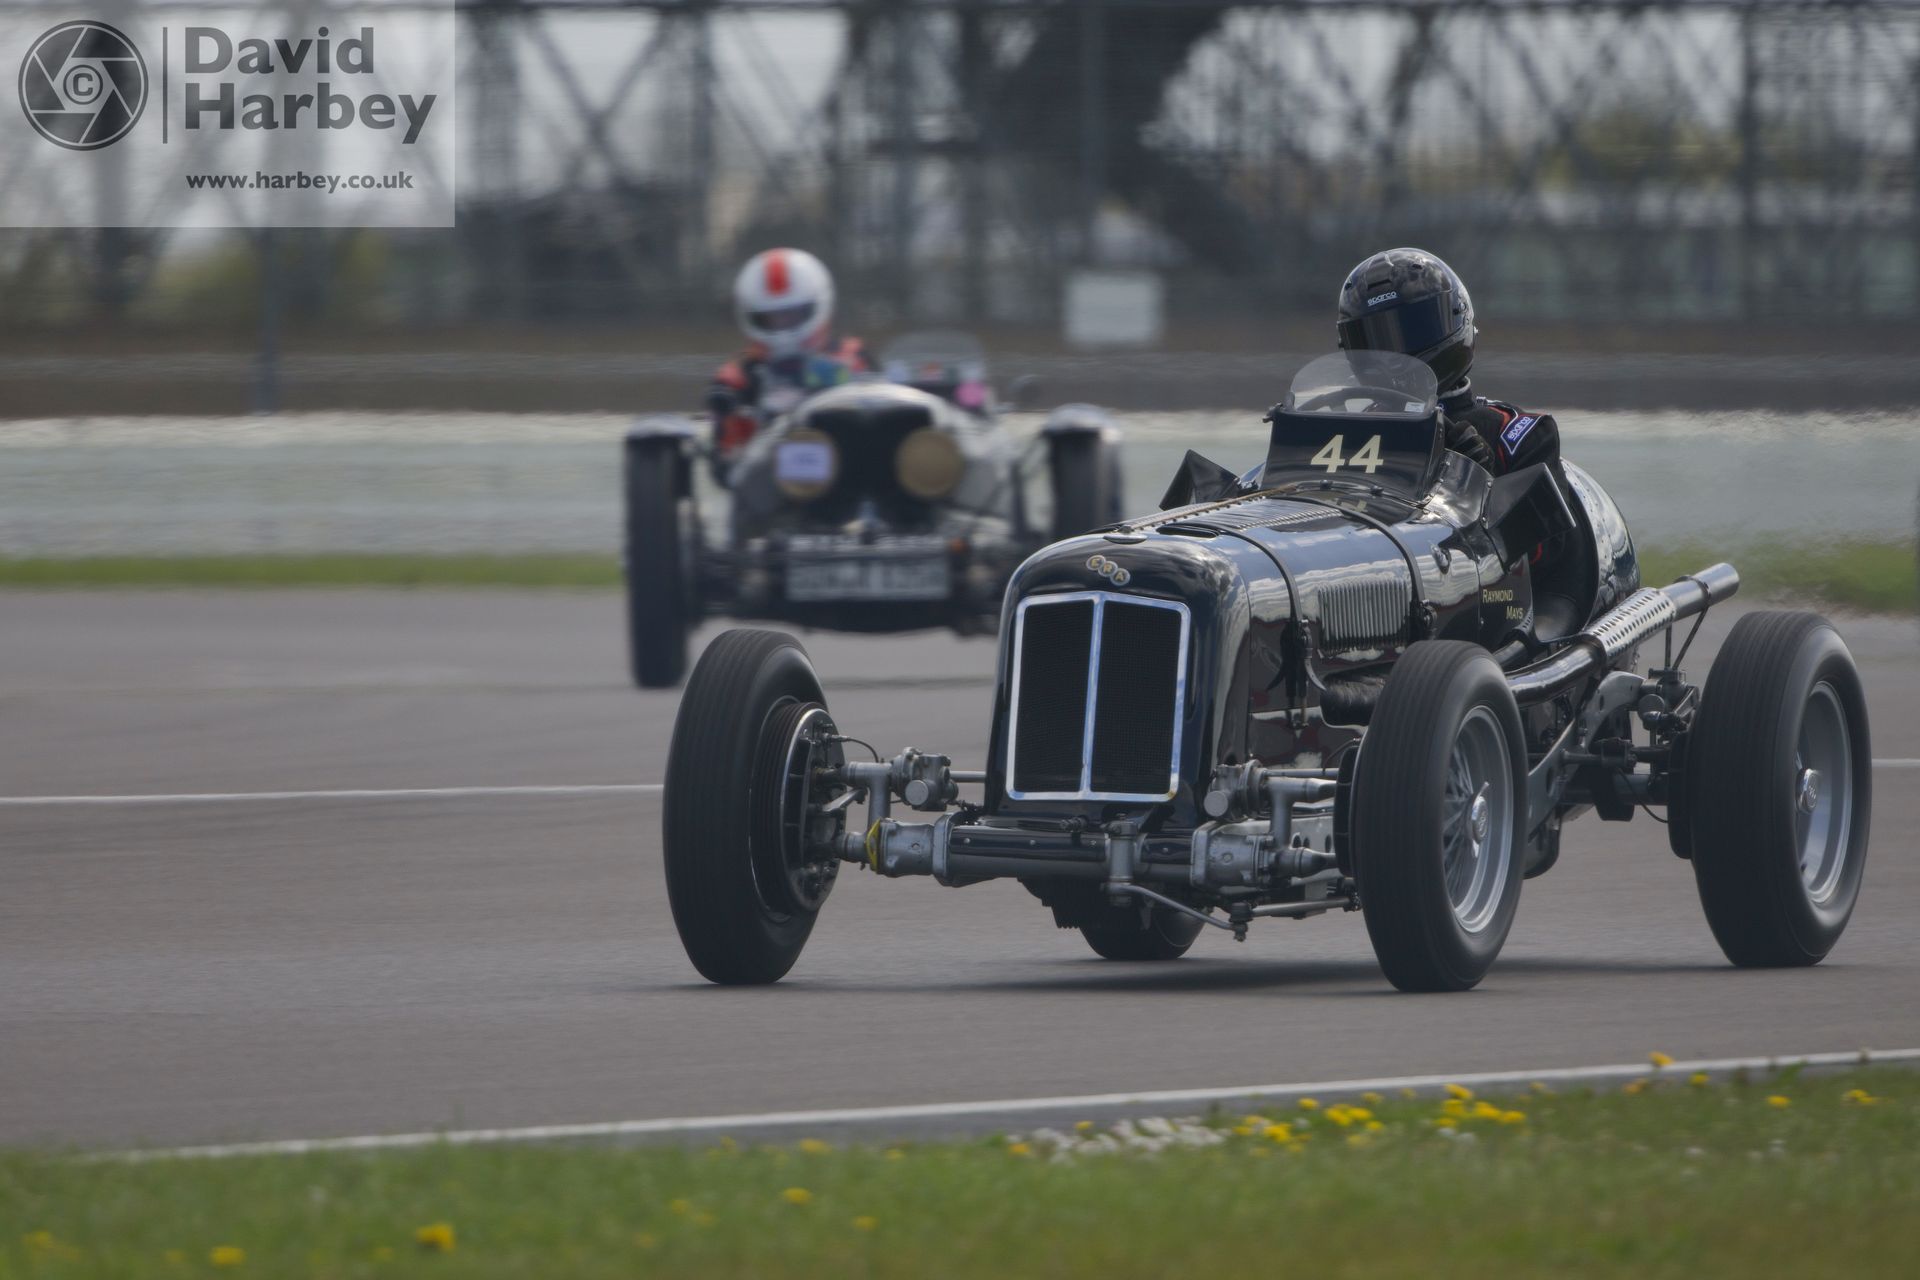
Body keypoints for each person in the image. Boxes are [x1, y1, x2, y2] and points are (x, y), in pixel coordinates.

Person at [1334, 247, 1559, 477]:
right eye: (1375, 343)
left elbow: (1545, 513)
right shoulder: (1349, 434)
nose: (1391, 357)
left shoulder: (1515, 434)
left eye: (1411, 333)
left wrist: (1483, 479)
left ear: (1456, 316)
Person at [707, 248, 867, 480]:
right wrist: (728, 409)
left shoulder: (853, 356)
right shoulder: (740, 372)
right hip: (769, 476)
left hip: (848, 465)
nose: (782, 326)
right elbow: (723, 461)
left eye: (792, 315)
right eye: (772, 319)